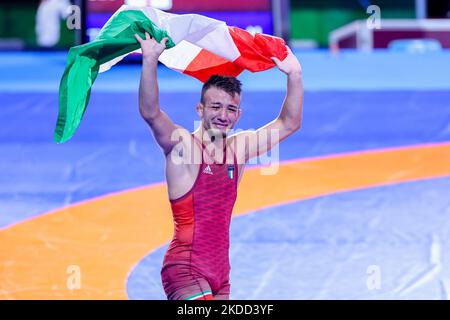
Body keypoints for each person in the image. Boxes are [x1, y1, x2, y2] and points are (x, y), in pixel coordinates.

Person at [134, 32, 303, 300]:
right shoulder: (185, 148)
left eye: (231, 109)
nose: (223, 116)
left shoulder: (240, 148)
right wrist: (150, 60)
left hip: (221, 274)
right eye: (215, 107)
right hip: (184, 269)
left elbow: (289, 123)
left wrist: (294, 75)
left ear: (239, 114)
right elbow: (151, 113)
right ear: (200, 110)